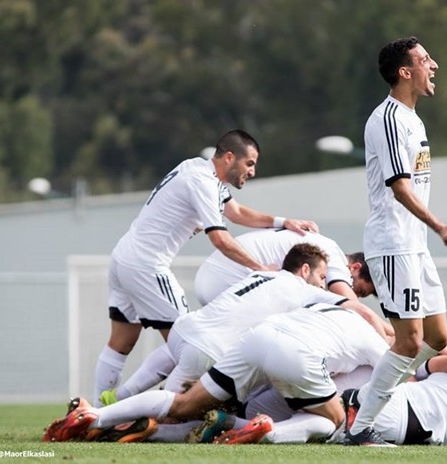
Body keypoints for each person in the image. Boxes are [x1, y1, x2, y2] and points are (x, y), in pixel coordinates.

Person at [93, 129, 318, 407]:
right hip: (147, 266)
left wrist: (283, 222)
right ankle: (133, 407)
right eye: (249, 163)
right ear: (229, 157)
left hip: (124, 257)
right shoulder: (203, 182)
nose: (253, 171)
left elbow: (236, 213)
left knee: (121, 342)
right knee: (191, 342)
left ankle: (94, 413)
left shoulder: (197, 169)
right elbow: (220, 239)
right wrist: (261, 269)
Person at [42, 304, 389, 444]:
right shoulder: (376, 339)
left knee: (183, 404)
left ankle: (95, 415)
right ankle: (265, 431)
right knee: (335, 423)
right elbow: (395, 372)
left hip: (258, 338)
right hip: (297, 354)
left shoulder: (326, 308)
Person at [346, 36, 447, 446]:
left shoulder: (414, 119)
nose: (434, 65)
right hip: (393, 244)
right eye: (425, 59)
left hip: (415, 246)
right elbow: (399, 187)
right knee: (409, 341)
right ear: (404, 71)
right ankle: (359, 427)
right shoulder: (388, 119)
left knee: (437, 340)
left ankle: (364, 398)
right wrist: (439, 226)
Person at [99, 243, 390, 404]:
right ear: (304, 270)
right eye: (322, 277)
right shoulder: (303, 289)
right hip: (205, 350)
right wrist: (389, 335)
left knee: (171, 367)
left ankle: (119, 397)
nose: (324, 284)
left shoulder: (262, 274)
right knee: (171, 410)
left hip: (184, 330)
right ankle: (102, 419)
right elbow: (359, 310)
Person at [223, 342, 447, 446]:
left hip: (395, 397)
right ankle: (256, 429)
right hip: (409, 429)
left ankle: (241, 424)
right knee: (330, 425)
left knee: (330, 419)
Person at [194, 228, 376, 305]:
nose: (355, 294)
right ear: (355, 268)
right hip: (228, 276)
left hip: (215, 274)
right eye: (359, 290)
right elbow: (351, 305)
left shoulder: (322, 250)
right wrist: (386, 333)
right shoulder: (334, 256)